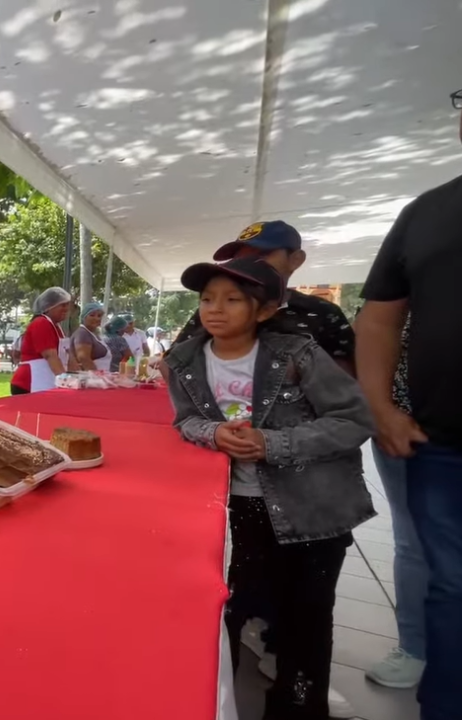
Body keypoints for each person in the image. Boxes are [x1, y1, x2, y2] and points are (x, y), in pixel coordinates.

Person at [166, 257, 374, 720]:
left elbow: (354, 420)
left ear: (264, 310)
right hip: (235, 509)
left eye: (232, 299)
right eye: (206, 299)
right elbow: (185, 420)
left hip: (310, 509)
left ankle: (300, 704)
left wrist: (272, 442)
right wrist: (212, 433)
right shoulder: (182, 359)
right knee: (229, 613)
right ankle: (218, 705)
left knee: (306, 618)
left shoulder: (297, 354)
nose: (214, 309)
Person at [357, 92, 462, 720]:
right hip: (440, 444)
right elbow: (379, 320)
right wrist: (381, 407)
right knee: (449, 585)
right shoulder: (426, 212)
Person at [173, 220, 355, 373]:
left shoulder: (322, 312)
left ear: (295, 259)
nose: (248, 265)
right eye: (240, 258)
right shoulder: (215, 310)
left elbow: (348, 377)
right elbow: (174, 363)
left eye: (261, 255)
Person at [362, 313, 428, 689]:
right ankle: (415, 647)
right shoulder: (410, 266)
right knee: (413, 540)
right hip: (406, 424)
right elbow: (371, 326)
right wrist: (381, 410)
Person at [10, 287, 74, 395]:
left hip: (45, 379)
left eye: (68, 305)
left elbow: (68, 357)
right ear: (49, 307)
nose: (67, 309)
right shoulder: (41, 323)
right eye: (63, 305)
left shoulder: (57, 327)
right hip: (29, 382)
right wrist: (67, 382)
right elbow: (51, 356)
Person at [71, 302, 110, 372]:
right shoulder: (82, 333)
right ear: (84, 317)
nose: (96, 318)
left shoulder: (92, 334)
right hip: (90, 379)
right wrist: (96, 377)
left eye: (99, 316)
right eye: (92, 315)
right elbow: (83, 358)